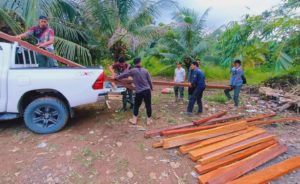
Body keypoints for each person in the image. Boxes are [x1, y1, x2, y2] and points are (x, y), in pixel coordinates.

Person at [115, 58, 153, 125]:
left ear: (134, 63)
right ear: (140, 62)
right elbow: (149, 81)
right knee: (148, 105)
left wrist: (116, 78)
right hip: (147, 90)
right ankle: (149, 120)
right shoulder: (145, 70)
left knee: (136, 105)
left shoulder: (133, 71)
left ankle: (134, 120)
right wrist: (151, 88)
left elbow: (124, 75)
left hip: (139, 91)